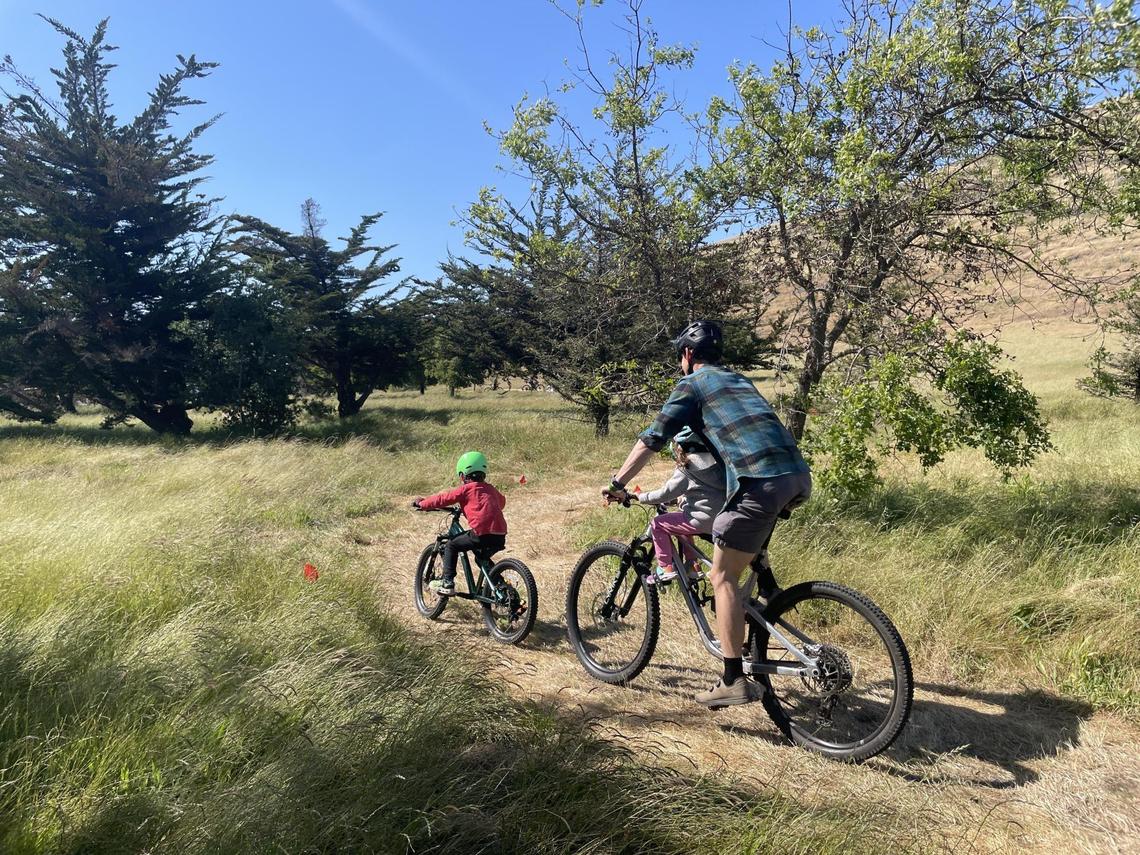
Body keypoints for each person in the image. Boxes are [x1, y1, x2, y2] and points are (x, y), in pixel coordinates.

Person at [603, 320, 812, 709]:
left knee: (721, 575)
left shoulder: (691, 384)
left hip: (759, 481)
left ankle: (733, 679)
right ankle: (765, 595)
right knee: (730, 537)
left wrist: (617, 483)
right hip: (796, 477)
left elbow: (652, 438)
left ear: (686, 354)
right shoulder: (739, 381)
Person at [634, 427, 726, 583]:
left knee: (657, 524)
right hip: (723, 519)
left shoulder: (687, 468)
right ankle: (692, 565)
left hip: (701, 521)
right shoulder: (719, 465)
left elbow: (666, 493)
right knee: (682, 517)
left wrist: (641, 497)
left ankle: (665, 568)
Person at [413, 451, 507, 596]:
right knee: (481, 558)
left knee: (452, 545)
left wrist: (423, 504)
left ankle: (448, 583)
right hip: (500, 535)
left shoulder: (465, 489)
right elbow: (502, 503)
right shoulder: (491, 489)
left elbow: (442, 499)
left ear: (463, 476)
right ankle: (502, 588)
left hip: (481, 533)